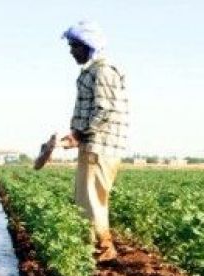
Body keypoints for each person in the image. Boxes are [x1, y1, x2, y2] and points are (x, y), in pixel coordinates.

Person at [36, 20, 129, 262]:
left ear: (89, 45)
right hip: (93, 145)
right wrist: (72, 138)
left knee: (91, 199)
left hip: (100, 147)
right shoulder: (95, 71)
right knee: (85, 198)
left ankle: (102, 249)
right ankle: (92, 249)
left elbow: (104, 110)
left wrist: (78, 134)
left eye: (75, 46)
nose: (71, 51)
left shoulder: (103, 71)